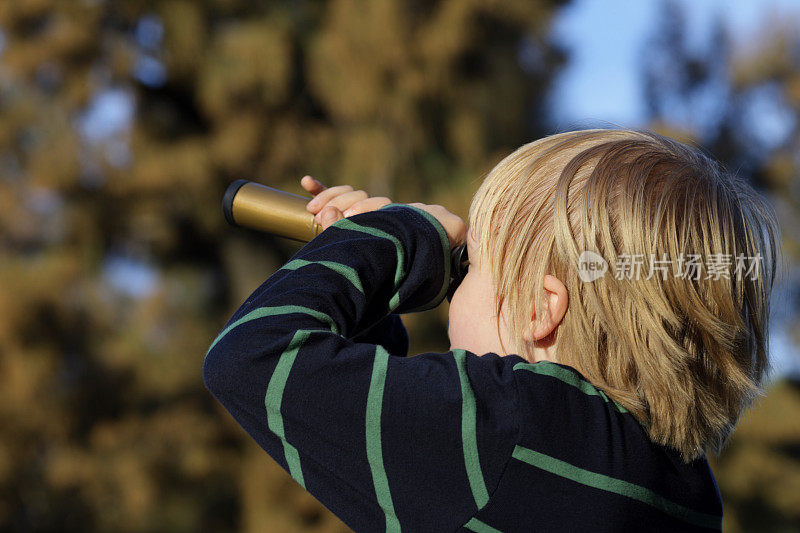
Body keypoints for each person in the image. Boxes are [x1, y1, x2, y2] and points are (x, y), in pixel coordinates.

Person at [203, 128, 780, 532]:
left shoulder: (511, 426)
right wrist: (378, 280)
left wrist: (394, 240)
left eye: (468, 266)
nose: (453, 289)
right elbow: (389, 451)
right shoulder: (685, 487)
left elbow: (252, 356)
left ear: (541, 310)